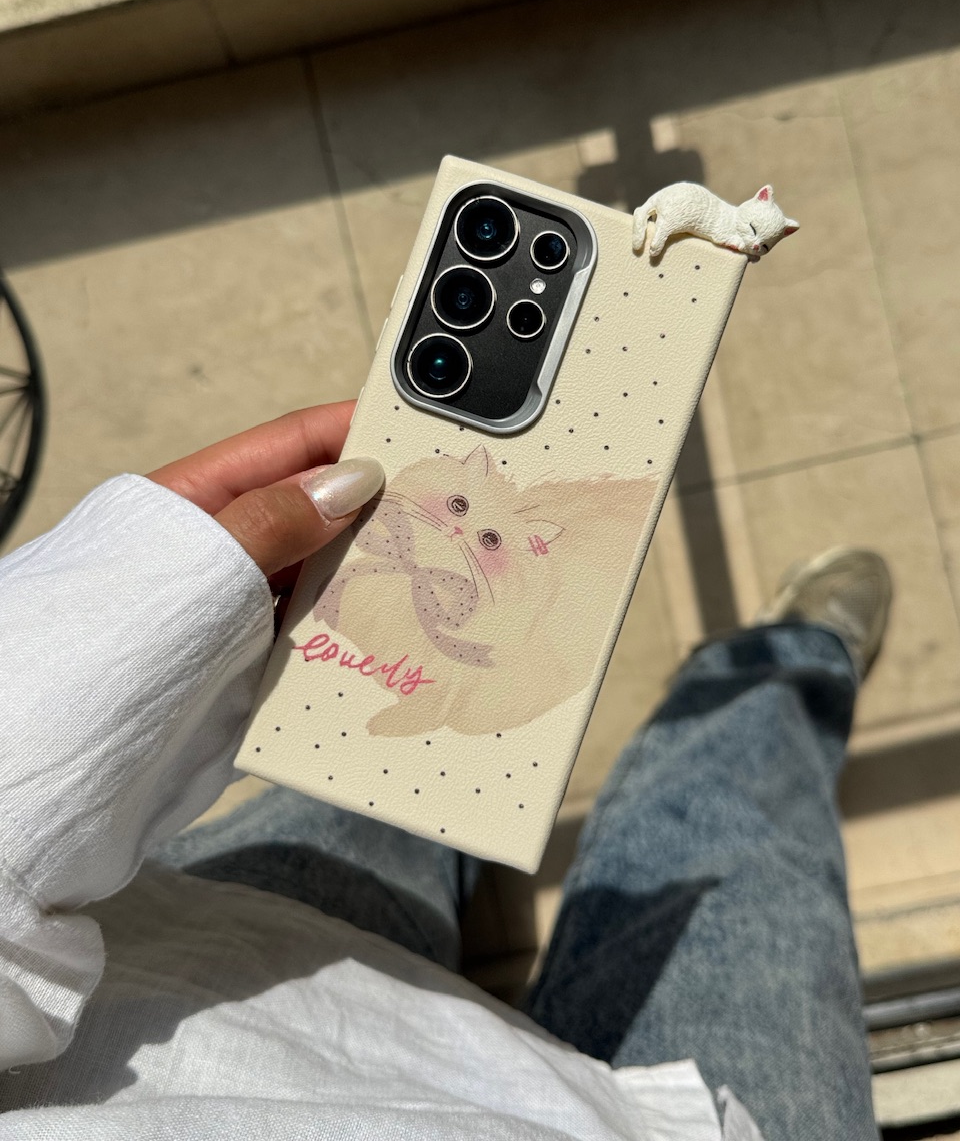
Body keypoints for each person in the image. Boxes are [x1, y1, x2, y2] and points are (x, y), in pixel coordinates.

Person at [0, 400, 886, 1141]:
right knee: (733, 822)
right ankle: (789, 662)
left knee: (387, 780)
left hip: (199, 970)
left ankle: (775, 673)